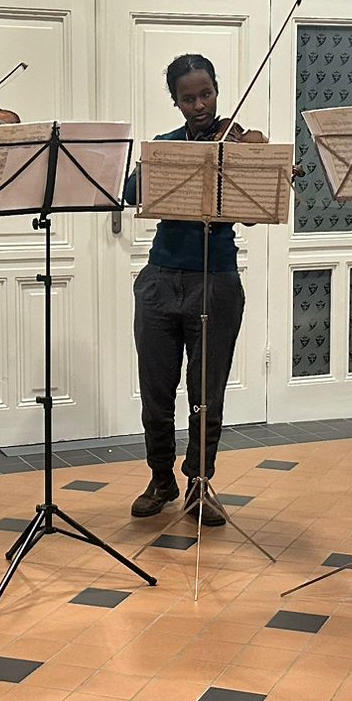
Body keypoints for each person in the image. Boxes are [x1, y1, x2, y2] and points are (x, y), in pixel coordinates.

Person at [125, 54, 250, 528]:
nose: (199, 106)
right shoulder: (166, 146)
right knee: (156, 392)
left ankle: (200, 482)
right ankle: (161, 478)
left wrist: (254, 166)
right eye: (188, 98)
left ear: (216, 90)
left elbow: (255, 208)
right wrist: (151, 168)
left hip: (216, 280)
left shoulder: (238, 144)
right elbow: (132, 192)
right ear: (175, 102)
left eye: (206, 95)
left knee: (206, 394)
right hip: (160, 280)